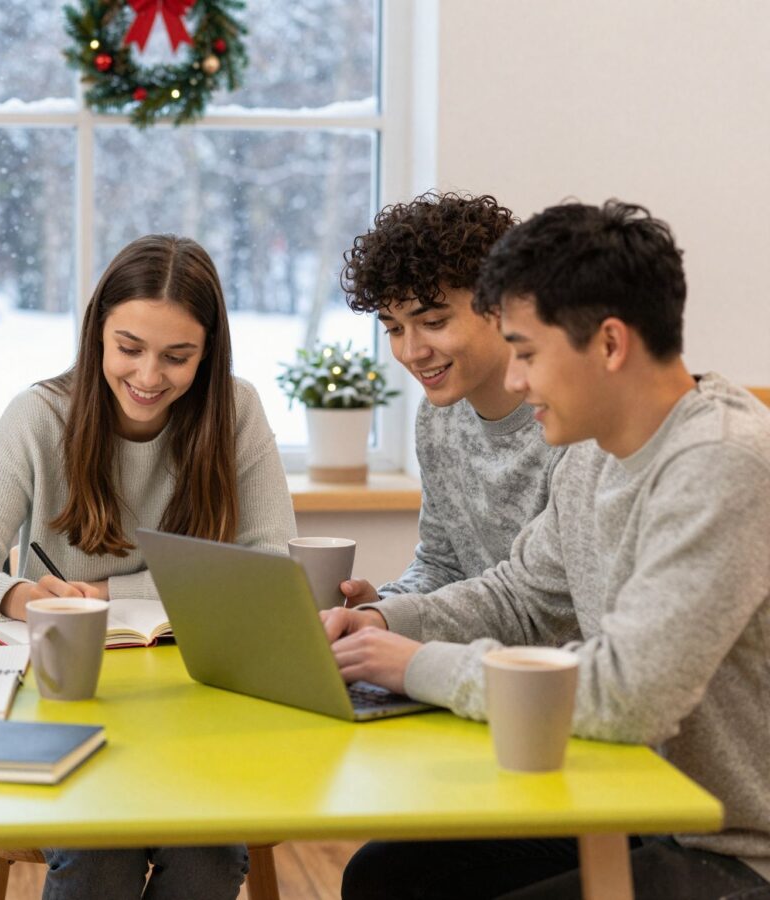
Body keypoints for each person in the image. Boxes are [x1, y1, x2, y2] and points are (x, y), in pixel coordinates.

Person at [327, 201, 770, 899]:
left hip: (734, 844)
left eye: (527, 353)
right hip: (632, 799)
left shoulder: (723, 462)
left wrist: (419, 666)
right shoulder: (593, 456)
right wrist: (385, 623)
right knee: (387, 879)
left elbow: (628, 695)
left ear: (610, 344)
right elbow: (519, 596)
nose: (513, 378)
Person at [0, 233, 296, 899]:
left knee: (210, 860)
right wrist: (21, 595)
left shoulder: (235, 412)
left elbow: (271, 567)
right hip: (72, 707)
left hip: (199, 709)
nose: (149, 377)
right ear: (97, 334)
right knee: (98, 856)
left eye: (177, 356)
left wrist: (108, 588)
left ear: (208, 353)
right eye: (129, 349)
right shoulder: (38, 417)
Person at [338, 192, 564, 607]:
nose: (411, 352)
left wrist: (401, 620)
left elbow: (550, 604)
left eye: (433, 322)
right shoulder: (437, 418)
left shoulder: (572, 420)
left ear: (499, 306)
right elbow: (442, 566)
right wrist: (384, 607)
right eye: (394, 329)